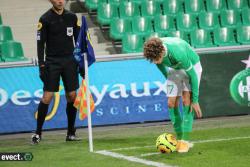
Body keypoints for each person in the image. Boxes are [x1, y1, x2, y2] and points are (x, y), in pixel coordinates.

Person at [31, 0, 83, 144]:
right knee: (47, 96)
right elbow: (40, 44)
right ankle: (38, 133)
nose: (60, 1)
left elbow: (79, 41)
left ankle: (71, 133)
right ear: (51, 1)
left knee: (72, 96)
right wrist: (41, 65)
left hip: (69, 61)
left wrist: (81, 61)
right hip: (52, 62)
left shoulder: (72, 17)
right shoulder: (45, 19)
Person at [143, 37, 203, 153]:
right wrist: (173, 85)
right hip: (174, 68)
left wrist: (195, 100)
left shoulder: (178, 52)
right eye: (153, 60)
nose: (155, 61)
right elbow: (162, 68)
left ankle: (184, 142)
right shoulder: (155, 53)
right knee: (171, 103)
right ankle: (179, 138)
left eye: (156, 59)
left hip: (192, 67)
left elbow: (193, 76)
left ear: (161, 52)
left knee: (187, 101)